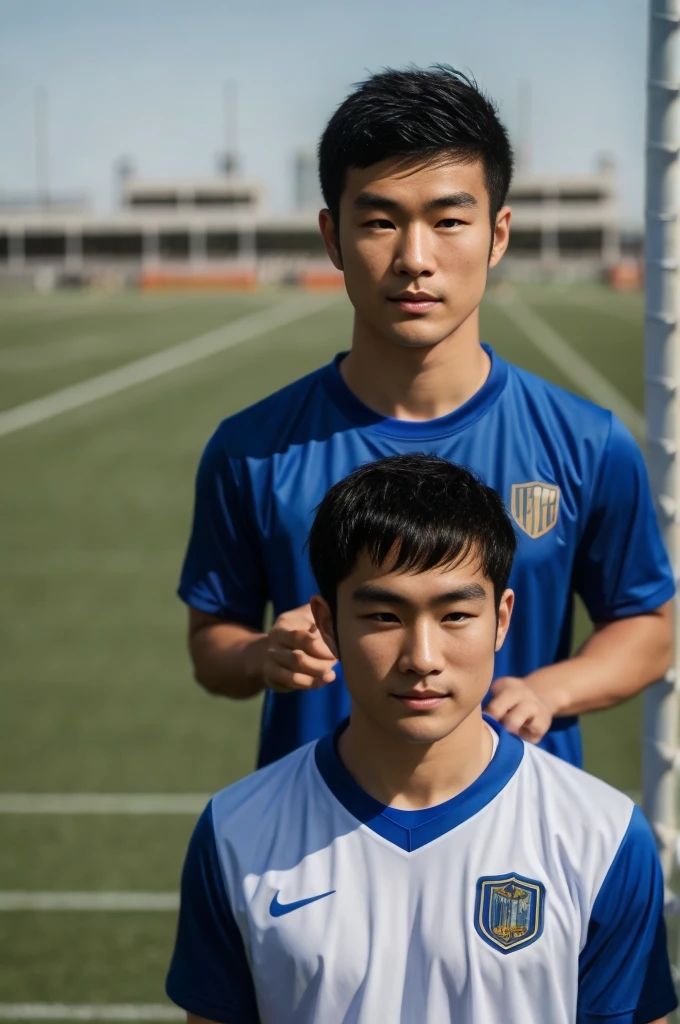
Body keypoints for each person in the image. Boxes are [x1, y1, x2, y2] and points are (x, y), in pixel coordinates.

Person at [180, 65, 673, 769]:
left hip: (522, 853)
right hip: (319, 853)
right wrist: (264, 653)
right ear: (332, 237)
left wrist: (549, 689)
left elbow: (649, 627)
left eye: (448, 222)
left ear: (497, 234)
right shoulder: (251, 449)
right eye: (380, 222)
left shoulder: (585, 443)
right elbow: (211, 643)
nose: (415, 259)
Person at [167, 454, 676, 1024]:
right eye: (384, 616)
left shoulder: (600, 836)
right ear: (328, 623)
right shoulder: (237, 830)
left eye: (456, 615)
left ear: (502, 618)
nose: (423, 659)